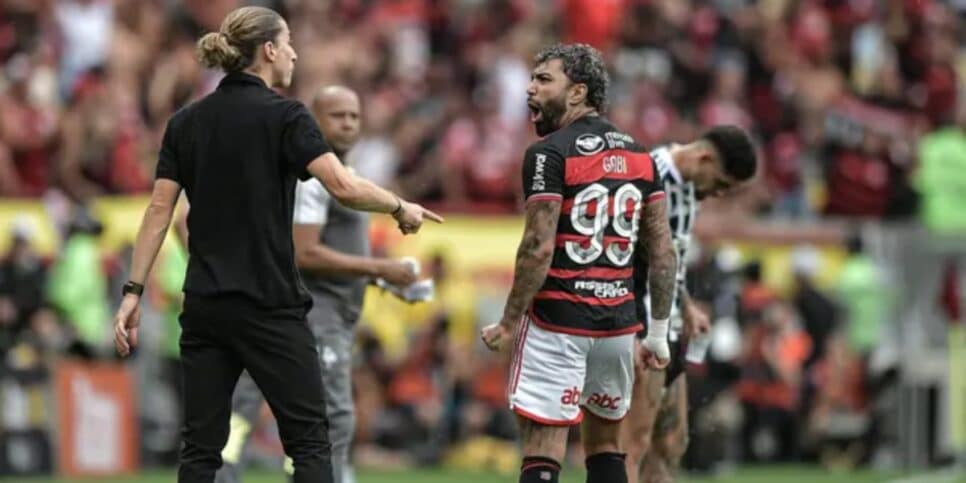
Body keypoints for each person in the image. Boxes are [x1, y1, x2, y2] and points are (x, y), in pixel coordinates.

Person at [110, 7, 441, 483]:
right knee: (309, 442)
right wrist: (397, 205)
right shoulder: (287, 117)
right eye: (287, 43)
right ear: (267, 50)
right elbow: (342, 187)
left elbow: (160, 212)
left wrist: (132, 293)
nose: (294, 53)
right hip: (271, 305)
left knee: (200, 450)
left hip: (206, 306)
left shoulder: (186, 122)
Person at [479, 43, 677, 483]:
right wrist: (658, 333)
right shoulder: (641, 156)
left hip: (557, 321)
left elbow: (537, 245)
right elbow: (662, 249)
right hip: (616, 326)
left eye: (544, 79)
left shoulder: (550, 153)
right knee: (607, 448)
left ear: (577, 93)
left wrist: (509, 321)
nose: (530, 89)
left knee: (544, 445)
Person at [215, 85, 421, 483]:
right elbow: (305, 254)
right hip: (315, 312)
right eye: (337, 116)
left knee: (259, 404)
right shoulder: (315, 179)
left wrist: (380, 278)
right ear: (314, 121)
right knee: (331, 411)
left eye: (354, 116)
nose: (347, 124)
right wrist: (377, 269)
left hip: (323, 311)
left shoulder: (344, 177)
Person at [621, 126, 757, 483]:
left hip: (668, 327)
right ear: (705, 159)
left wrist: (686, 305)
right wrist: (631, 329)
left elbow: (667, 262)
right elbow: (622, 259)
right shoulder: (646, 177)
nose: (718, 194)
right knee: (633, 444)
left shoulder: (689, 193)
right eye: (722, 183)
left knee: (671, 441)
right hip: (640, 326)